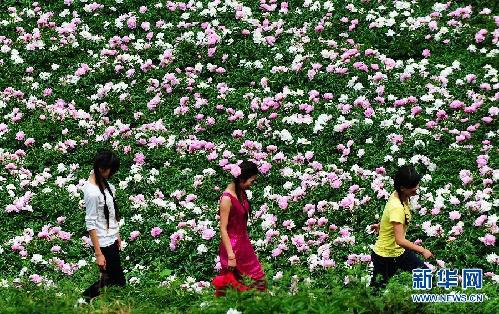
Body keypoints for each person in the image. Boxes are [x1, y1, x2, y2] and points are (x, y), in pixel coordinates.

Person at [369, 165, 433, 289]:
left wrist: (382, 225)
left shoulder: (398, 195)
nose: (416, 189)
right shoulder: (396, 207)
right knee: (376, 293)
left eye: (416, 184)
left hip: (398, 252)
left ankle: (423, 305)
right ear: (402, 188)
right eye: (413, 187)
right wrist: (423, 250)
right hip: (385, 256)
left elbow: (389, 215)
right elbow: (400, 240)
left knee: (426, 277)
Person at [216, 160, 267, 295]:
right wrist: (231, 256)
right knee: (233, 284)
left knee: (257, 279)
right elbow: (223, 229)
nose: (252, 184)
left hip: (244, 244)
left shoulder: (240, 192)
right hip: (232, 247)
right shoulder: (227, 198)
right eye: (252, 181)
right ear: (242, 178)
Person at [82, 149, 125, 300]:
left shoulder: (100, 180)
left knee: (111, 278)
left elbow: (111, 212)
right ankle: (84, 299)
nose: (111, 173)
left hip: (110, 237)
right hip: (103, 242)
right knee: (115, 280)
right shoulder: (93, 192)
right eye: (109, 170)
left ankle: (86, 300)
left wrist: (117, 234)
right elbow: (91, 223)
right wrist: (98, 253)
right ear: (101, 169)